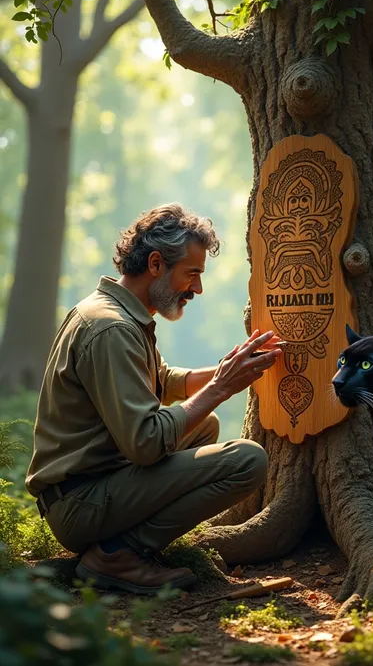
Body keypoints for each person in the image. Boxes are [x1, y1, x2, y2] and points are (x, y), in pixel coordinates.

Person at [26, 204, 282, 595]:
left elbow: (160, 380)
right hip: (81, 503)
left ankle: (119, 546)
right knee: (248, 460)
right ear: (157, 264)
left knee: (204, 427)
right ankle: (118, 552)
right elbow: (145, 444)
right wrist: (221, 388)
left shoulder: (120, 313)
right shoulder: (111, 329)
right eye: (192, 274)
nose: (197, 289)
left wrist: (228, 369)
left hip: (97, 485)